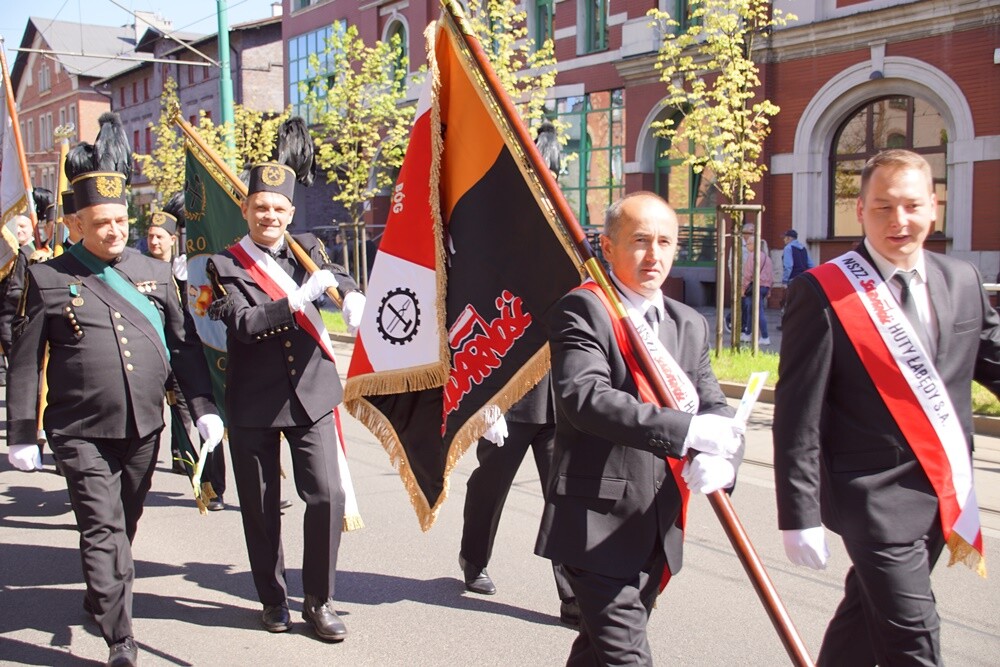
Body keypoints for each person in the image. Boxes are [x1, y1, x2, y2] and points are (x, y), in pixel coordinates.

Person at [773, 149, 1000, 666]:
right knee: (914, 636)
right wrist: (798, 514)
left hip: (943, 490)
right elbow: (797, 415)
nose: (900, 221)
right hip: (870, 501)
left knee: (862, 622)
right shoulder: (824, 292)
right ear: (860, 210)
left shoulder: (961, 279)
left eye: (912, 206)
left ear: (934, 208)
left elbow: (992, 359)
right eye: (883, 207)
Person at [5, 164, 224, 666]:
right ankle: (120, 637)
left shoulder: (152, 272)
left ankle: (100, 593)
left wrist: (202, 409)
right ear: (77, 224)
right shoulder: (48, 277)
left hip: (145, 425)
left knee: (125, 521)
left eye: (121, 221)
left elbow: (184, 348)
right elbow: (25, 360)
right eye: (101, 221)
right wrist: (22, 432)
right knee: (101, 528)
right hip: (80, 430)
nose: (114, 230)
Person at [536, 191, 744, 665]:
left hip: (659, 523)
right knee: (627, 659)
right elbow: (584, 398)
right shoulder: (583, 309)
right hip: (596, 524)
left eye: (666, 242)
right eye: (641, 241)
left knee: (595, 654)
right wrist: (688, 433)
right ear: (607, 248)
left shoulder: (688, 322)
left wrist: (725, 460)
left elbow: (713, 405)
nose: (655, 255)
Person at [206, 149, 366, 641]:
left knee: (328, 495)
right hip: (254, 402)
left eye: (278, 209)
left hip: (312, 395)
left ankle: (319, 600)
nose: (270, 216)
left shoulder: (307, 246)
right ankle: (272, 598)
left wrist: (353, 293)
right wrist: (294, 300)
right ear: (246, 210)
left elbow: (335, 274)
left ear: (291, 213)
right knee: (260, 506)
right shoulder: (221, 264)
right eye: (261, 207)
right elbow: (244, 321)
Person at [459, 376, 579, 625]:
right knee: (490, 487)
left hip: (560, 403)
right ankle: (473, 558)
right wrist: (486, 402)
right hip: (508, 402)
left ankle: (573, 595)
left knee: (564, 498)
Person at [739, 222, 773, 345]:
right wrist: (769, 290)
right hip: (764, 287)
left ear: (754, 245)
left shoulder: (752, 256)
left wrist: (743, 289)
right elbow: (771, 276)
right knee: (750, 310)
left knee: (758, 311)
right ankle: (748, 334)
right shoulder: (766, 257)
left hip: (755, 287)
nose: (747, 246)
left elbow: (748, 275)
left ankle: (765, 336)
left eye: (748, 244)